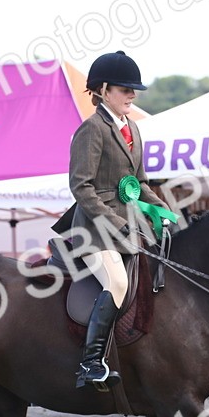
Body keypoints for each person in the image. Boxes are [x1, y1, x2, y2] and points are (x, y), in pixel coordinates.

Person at [51, 50, 174, 389]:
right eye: (125, 89)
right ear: (104, 90)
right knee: (118, 283)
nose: (132, 96)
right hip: (93, 229)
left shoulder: (132, 127)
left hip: (126, 227)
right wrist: (112, 221)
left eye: (133, 90)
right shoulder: (92, 130)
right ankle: (90, 364)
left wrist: (163, 212)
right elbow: (81, 186)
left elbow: (139, 183)